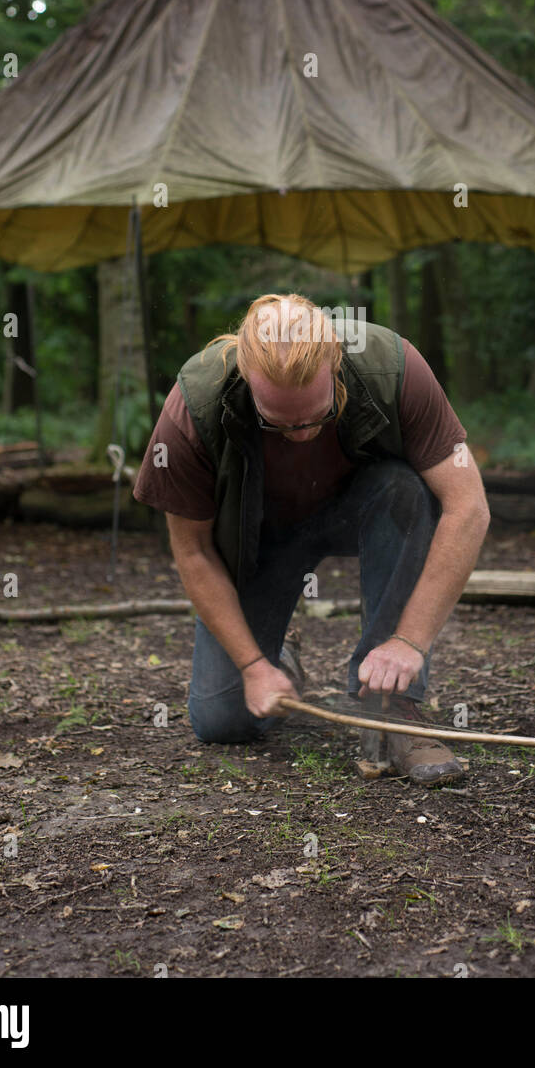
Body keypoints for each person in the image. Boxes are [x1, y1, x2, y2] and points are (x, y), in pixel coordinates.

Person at [133, 293, 490, 785]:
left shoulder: (394, 368)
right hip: (260, 538)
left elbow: (468, 506)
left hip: (362, 511)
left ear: (335, 363)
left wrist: (409, 642)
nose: (300, 435)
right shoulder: (194, 406)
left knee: (406, 489)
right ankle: (279, 654)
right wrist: (253, 664)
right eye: (276, 422)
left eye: (315, 417)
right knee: (223, 721)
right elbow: (192, 550)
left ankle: (395, 707)